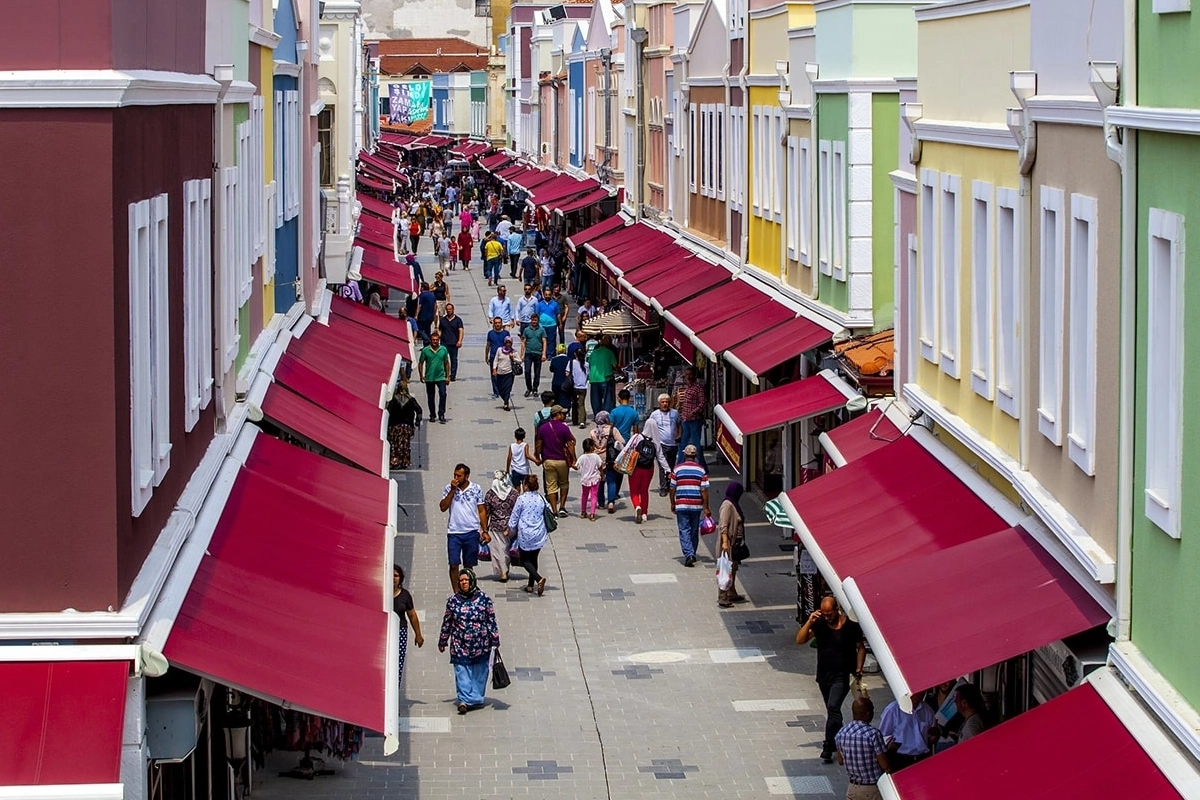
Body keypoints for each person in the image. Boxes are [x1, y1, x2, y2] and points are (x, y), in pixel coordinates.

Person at [797, 596, 868, 764]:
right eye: (824, 614)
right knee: (833, 712)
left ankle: (828, 746)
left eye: (830, 614)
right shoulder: (820, 624)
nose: (827, 617)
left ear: (837, 609)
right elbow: (800, 640)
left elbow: (860, 648)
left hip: (842, 675)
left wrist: (859, 669)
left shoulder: (850, 627)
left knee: (833, 706)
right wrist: (809, 621)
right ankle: (841, 740)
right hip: (824, 675)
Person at [438, 567, 500, 715]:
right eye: (461, 581)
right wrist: (443, 640)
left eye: (466, 580)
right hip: (460, 645)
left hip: (481, 644)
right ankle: (464, 700)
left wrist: (495, 639)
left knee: (480, 672)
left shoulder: (484, 599)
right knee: (462, 672)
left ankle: (475, 698)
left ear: (472, 580)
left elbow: (491, 620)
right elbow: (447, 622)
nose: (464, 583)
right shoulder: (453, 601)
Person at [438, 463, 488, 592]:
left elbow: (481, 510)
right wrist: (452, 491)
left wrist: (485, 530)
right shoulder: (449, 488)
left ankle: (468, 589)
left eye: (459, 476)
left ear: (466, 476)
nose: (456, 478)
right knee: (454, 564)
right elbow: (443, 507)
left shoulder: (476, 488)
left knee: (468, 565)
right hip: (454, 532)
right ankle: (456, 592)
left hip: (471, 532)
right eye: (455, 475)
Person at [834, 697, 889, 799]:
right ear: (868, 713)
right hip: (872, 789)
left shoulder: (841, 733)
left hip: (853, 788)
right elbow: (885, 765)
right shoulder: (873, 734)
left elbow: (840, 760)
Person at [508, 475, 550, 595]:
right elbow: (550, 510)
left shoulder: (522, 499)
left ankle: (538, 578)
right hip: (539, 533)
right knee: (534, 558)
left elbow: (514, 516)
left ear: (525, 485)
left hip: (526, 534)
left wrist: (510, 529)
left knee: (525, 560)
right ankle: (530, 585)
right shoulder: (541, 498)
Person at [669, 444, 710, 566]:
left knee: (684, 529)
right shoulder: (701, 470)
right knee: (693, 530)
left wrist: (672, 503)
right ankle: (692, 552)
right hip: (696, 505)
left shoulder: (677, 469)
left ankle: (689, 554)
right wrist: (706, 507)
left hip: (681, 505)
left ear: (685, 455)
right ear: (695, 455)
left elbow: (672, 488)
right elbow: (704, 490)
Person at [878, 690, 938, 770]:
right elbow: (882, 735)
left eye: (922, 692)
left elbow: (931, 736)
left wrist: (934, 735)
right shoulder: (893, 709)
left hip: (922, 758)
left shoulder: (927, 710)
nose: (919, 695)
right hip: (900, 759)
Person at [627, 422, 674, 524]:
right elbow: (660, 457)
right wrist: (668, 470)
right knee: (644, 491)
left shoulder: (637, 437)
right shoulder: (656, 441)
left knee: (634, 491)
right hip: (649, 469)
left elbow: (627, 449)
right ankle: (644, 513)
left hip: (636, 468)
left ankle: (637, 506)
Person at [534, 405, 576, 518]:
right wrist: (574, 460)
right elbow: (570, 445)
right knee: (564, 483)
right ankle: (562, 507)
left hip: (548, 461)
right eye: (562, 413)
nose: (564, 415)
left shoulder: (543, 428)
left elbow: (539, 444)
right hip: (562, 461)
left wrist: (537, 456)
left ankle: (554, 511)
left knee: (551, 486)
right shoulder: (564, 428)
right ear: (557, 415)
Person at [607, 388, 640, 507]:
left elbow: (611, 428)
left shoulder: (614, 412)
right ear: (629, 398)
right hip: (626, 443)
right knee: (620, 468)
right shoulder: (634, 413)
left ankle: (611, 492)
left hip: (614, 442)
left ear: (619, 398)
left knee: (612, 466)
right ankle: (616, 492)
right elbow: (636, 432)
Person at [483, 472, 518, 583]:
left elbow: (486, 512)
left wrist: (484, 529)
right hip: (511, 527)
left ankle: (503, 572)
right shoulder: (513, 493)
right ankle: (506, 569)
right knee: (506, 547)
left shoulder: (490, 494)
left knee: (499, 550)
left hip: (496, 527)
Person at [393, 565, 425, 686]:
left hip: (400, 631)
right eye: (391, 576)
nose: (393, 579)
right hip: (384, 631)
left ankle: (395, 687)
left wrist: (418, 635)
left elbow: (412, 615)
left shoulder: (405, 595)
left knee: (398, 663)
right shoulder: (382, 593)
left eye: (396, 576)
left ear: (400, 578)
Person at [717, 481, 747, 608]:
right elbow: (723, 525)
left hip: (735, 543)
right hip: (728, 544)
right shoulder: (727, 505)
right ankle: (723, 597)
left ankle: (732, 592)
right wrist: (725, 542)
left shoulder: (733, 503)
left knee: (733, 568)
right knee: (725, 570)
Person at [590, 411, 625, 513]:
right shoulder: (612, 430)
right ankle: (610, 502)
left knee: (600, 482)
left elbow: (590, 446)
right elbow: (622, 442)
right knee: (611, 481)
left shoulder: (593, 432)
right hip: (610, 459)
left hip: (597, 460)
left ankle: (601, 503)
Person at [646, 394, 681, 496]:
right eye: (663, 402)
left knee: (671, 466)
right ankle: (663, 487)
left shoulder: (675, 413)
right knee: (662, 466)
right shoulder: (654, 414)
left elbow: (679, 426)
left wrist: (679, 435)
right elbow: (650, 427)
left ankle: (671, 486)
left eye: (667, 402)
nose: (665, 404)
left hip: (673, 444)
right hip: (661, 444)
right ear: (659, 403)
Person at [676, 367, 707, 469]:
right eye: (686, 375)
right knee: (683, 444)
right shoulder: (687, 387)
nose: (688, 377)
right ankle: (679, 465)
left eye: (690, 375)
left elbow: (703, 403)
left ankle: (702, 466)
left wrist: (692, 413)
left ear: (694, 376)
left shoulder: (698, 388)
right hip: (685, 420)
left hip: (694, 421)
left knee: (696, 444)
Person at [387, 382, 422, 470]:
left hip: (395, 426)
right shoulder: (411, 399)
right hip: (407, 427)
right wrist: (417, 421)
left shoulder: (394, 400)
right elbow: (419, 410)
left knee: (395, 444)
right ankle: (404, 461)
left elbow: (388, 411)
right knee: (405, 444)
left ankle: (395, 461)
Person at [418, 331, 450, 424]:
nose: (435, 341)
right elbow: (421, 363)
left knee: (443, 394)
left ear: (439, 340)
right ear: (430, 340)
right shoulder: (425, 350)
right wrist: (421, 375)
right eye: (433, 340)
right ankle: (432, 414)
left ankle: (441, 413)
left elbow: (446, 363)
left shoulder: (443, 349)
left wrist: (448, 376)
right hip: (430, 377)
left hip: (441, 377)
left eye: (436, 340)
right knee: (431, 397)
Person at [588, 334, 619, 418]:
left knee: (595, 399)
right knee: (607, 399)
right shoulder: (609, 352)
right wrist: (619, 371)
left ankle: (597, 415)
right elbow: (615, 365)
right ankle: (606, 416)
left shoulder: (593, 353)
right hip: (606, 378)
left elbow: (589, 364)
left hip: (594, 378)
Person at [574, 438, 604, 520]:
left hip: (585, 479)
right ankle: (592, 514)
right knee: (594, 496)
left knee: (584, 495)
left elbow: (576, 467)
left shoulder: (582, 457)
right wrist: (602, 474)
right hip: (594, 479)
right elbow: (600, 466)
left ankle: (583, 512)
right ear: (591, 447)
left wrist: (570, 463)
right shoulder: (596, 456)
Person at [520, 314, 548, 397]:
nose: (534, 322)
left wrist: (544, 354)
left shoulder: (542, 330)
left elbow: (544, 342)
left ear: (538, 320)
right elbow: (523, 342)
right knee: (527, 371)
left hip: (538, 353)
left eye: (535, 320)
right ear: (531, 320)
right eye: (533, 320)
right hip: (528, 353)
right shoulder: (526, 330)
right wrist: (522, 354)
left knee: (537, 373)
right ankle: (529, 388)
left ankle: (535, 389)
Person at [484, 316, 510, 400]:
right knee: (494, 375)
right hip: (493, 356)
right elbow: (488, 345)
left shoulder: (506, 333)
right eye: (496, 323)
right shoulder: (490, 333)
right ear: (494, 324)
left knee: (503, 374)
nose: (498, 324)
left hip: (504, 357)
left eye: (499, 323)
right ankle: (496, 392)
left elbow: (509, 345)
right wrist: (486, 355)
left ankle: (503, 390)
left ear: (502, 324)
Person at [438, 303, 465, 382]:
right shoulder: (443, 320)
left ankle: (452, 376)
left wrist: (460, 341)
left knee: (454, 360)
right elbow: (440, 330)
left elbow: (461, 330)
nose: (449, 311)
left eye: (450, 309)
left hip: (454, 343)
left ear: (453, 309)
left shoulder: (458, 320)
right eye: (447, 309)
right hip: (444, 343)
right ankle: (445, 374)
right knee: (443, 360)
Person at [492, 336, 517, 411]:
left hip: (509, 373)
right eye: (507, 342)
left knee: (507, 389)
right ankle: (505, 399)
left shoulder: (513, 351)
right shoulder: (499, 350)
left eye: (510, 343)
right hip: (500, 373)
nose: (508, 344)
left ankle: (506, 403)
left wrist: (513, 358)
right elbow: (496, 360)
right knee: (500, 389)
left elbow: (519, 360)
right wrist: (494, 369)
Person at [534, 287, 561, 356]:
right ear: (544, 295)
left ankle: (550, 354)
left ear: (551, 295)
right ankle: (543, 353)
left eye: (549, 294)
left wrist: (560, 323)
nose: (547, 296)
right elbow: (537, 314)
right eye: (546, 294)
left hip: (552, 325)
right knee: (541, 340)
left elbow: (558, 314)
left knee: (551, 340)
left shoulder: (555, 304)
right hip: (542, 325)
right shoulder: (539, 304)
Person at [549, 343, 572, 413]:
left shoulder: (554, 360)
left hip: (556, 382)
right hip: (566, 382)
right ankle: (565, 410)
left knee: (556, 397)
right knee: (565, 396)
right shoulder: (569, 360)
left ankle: (557, 411)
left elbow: (551, 369)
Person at [569, 346, 589, 428]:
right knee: (581, 404)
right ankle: (582, 421)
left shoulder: (572, 362)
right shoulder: (586, 364)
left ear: (575, 354)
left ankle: (575, 419)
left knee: (574, 403)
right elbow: (588, 374)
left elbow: (567, 373)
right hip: (583, 387)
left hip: (574, 386)